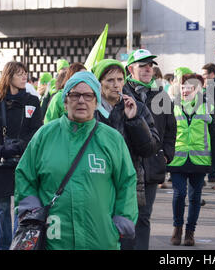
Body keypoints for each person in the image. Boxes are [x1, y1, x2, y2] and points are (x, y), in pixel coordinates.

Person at [14, 71, 138, 249]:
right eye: (74, 95)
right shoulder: (45, 136)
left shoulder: (112, 139)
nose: (81, 100)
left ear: (96, 102)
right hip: (54, 241)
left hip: (101, 239)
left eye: (88, 95)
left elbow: (126, 181)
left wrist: (120, 224)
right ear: (65, 101)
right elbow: (25, 175)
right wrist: (31, 210)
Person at [92, 59, 160, 249]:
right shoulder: (90, 111)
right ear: (99, 83)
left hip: (128, 184)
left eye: (120, 79)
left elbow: (150, 147)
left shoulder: (137, 107)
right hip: (96, 183)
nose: (116, 85)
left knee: (128, 238)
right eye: (110, 80)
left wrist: (135, 120)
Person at [0, 61, 42, 250]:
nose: (24, 76)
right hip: (0, 161)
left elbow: (36, 130)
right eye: (19, 73)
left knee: (21, 209)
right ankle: (4, 246)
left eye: (25, 73)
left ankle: (17, 246)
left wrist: (21, 146)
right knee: (2, 209)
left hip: (24, 161)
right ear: (8, 77)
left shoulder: (32, 101)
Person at [123, 49, 177, 250]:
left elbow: (171, 129)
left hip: (152, 165)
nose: (148, 69)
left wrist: (166, 155)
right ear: (131, 69)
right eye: (142, 65)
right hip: (127, 166)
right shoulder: (121, 92)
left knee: (144, 217)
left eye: (150, 65)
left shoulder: (161, 95)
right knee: (124, 215)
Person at [167, 73, 215, 246]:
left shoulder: (206, 107)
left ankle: (190, 232)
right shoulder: (171, 106)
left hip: (200, 160)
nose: (186, 90)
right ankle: (177, 228)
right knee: (179, 194)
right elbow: (166, 133)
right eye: (183, 87)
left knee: (194, 197)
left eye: (190, 87)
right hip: (177, 159)